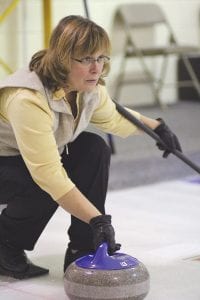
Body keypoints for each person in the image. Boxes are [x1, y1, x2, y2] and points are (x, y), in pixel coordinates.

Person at [0, 15, 181, 280]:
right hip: (6, 161)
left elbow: (114, 117)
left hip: (25, 158)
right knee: (42, 182)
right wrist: (98, 220)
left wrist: (156, 128)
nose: (96, 68)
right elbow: (48, 173)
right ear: (63, 59)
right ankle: (5, 245)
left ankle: (82, 250)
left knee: (93, 148)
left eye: (101, 58)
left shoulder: (86, 87)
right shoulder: (27, 99)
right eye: (85, 59)